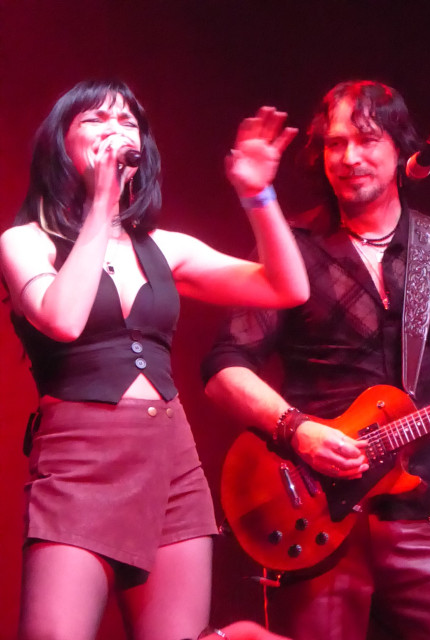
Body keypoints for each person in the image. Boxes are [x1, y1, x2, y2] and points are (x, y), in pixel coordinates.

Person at [0, 78, 309, 640]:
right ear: (59, 145)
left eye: (127, 121)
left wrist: (258, 196)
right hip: (79, 460)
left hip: (170, 459)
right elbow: (63, 319)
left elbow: (286, 287)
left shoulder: (165, 247)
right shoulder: (27, 241)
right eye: (95, 119)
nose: (115, 129)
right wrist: (101, 204)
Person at [203, 80, 430, 640]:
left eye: (366, 140)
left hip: (422, 520)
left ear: (401, 147)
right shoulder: (292, 246)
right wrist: (297, 431)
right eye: (335, 144)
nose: (348, 158)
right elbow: (225, 368)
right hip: (311, 525)